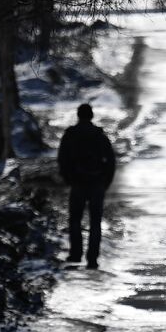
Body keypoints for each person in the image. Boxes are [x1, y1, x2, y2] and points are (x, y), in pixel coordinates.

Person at [56, 103, 116, 269]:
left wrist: (68, 178)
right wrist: (106, 181)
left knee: (75, 219)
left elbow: (62, 159)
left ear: (78, 115)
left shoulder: (71, 134)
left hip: (78, 183)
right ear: (91, 116)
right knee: (95, 222)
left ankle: (76, 254)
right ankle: (92, 258)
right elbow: (110, 160)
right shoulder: (99, 135)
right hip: (97, 182)